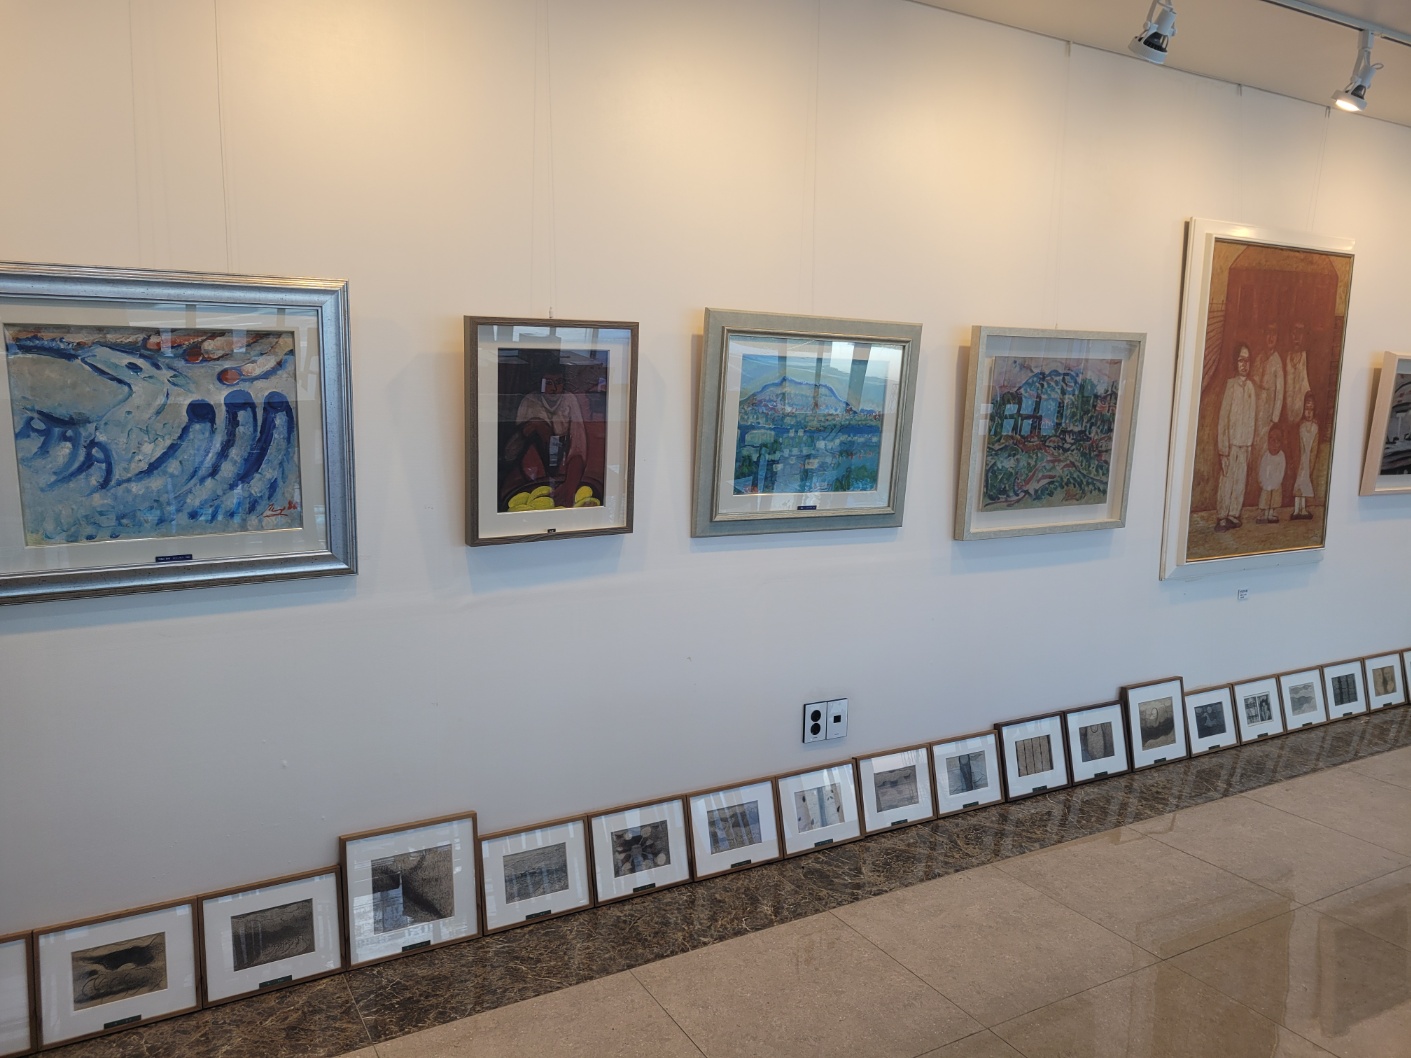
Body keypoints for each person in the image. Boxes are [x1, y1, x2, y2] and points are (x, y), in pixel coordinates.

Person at [501, 367, 587, 509]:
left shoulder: (569, 400)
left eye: (559, 382)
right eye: (548, 383)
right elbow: (510, 453)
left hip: (562, 466)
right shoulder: (529, 401)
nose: (554, 388)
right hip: (530, 470)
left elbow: (578, 446)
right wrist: (532, 426)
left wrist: (570, 485)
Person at [1215, 344, 1256, 531]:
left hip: (1245, 444)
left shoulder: (1251, 388)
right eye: (1241, 360)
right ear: (1235, 362)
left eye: (1247, 360)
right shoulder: (1230, 386)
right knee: (1227, 479)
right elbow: (1223, 418)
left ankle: (1233, 513)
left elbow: (1252, 418)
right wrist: (1223, 449)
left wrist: (1250, 445)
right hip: (1230, 444)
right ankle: (1222, 516)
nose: (1244, 364)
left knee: (1240, 480)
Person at [1253, 322, 1284, 466]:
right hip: (1256, 413)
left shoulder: (1277, 362)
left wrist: (1274, 419)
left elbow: (1280, 393)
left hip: (1268, 415)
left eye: (1274, 334)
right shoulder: (1259, 358)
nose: (1271, 337)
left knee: (1263, 451)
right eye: (1268, 333)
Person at [1292, 393, 1318, 520]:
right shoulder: (1300, 427)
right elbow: (1297, 446)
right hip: (1301, 461)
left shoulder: (1315, 428)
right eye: (1306, 409)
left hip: (1308, 461)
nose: (1308, 413)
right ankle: (1297, 509)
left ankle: (1303, 509)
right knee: (1299, 484)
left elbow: (1314, 448)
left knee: (1305, 484)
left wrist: (1311, 462)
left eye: (1311, 410)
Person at [1285, 321, 1311, 438]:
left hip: (1302, 421)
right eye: (1294, 332)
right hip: (1285, 421)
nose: (1296, 336)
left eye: (1300, 332)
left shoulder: (1307, 358)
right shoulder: (1285, 358)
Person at [1256, 426, 1286, 524]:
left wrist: (1277, 481)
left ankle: (1272, 513)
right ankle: (1265, 513)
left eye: (1277, 441)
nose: (1274, 444)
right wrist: (1263, 481)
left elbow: (1281, 470)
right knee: (1265, 497)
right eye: (1271, 440)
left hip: (1276, 483)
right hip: (1266, 483)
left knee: (1275, 498)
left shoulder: (1281, 456)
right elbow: (1262, 469)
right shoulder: (1266, 455)